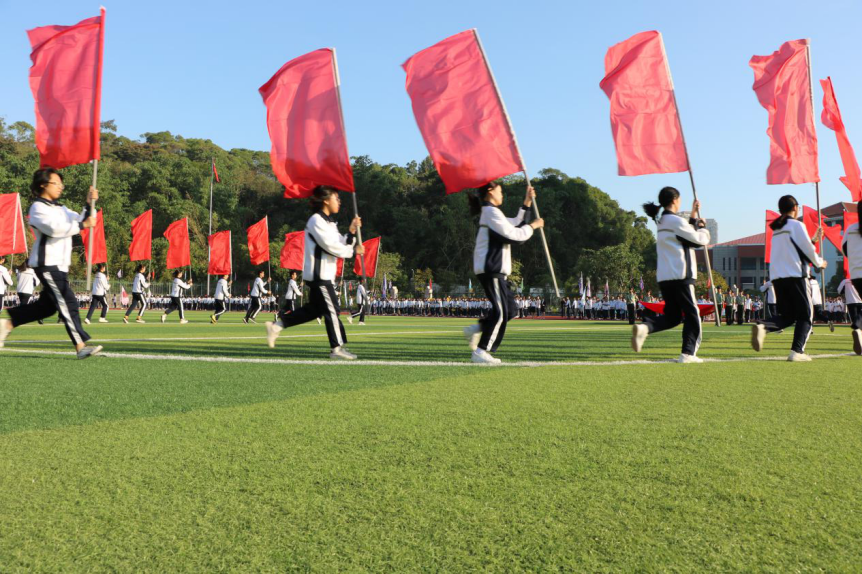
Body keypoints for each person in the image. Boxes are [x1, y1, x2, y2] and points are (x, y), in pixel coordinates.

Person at [0, 168, 102, 358]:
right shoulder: (37, 208)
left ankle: (6, 324)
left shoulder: (61, 208)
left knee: (46, 308)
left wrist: (89, 204)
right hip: (46, 264)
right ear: (43, 185)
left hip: (60, 265)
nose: (60, 187)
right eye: (56, 183)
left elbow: (81, 220)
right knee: (68, 300)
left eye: (61, 184)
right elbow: (54, 229)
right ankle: (80, 346)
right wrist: (82, 225)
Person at [265, 186, 365, 359]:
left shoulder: (329, 223)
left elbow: (341, 242)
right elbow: (331, 246)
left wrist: (351, 231)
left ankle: (277, 326)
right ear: (326, 200)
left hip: (325, 274)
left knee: (314, 310)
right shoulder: (315, 221)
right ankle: (336, 348)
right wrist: (354, 251)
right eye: (336, 198)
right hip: (319, 275)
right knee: (332, 309)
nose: (339, 201)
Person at [461, 180, 544, 364]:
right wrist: (533, 226)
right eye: (500, 191)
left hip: (496, 270)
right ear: (490, 191)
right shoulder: (490, 212)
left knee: (511, 310)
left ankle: (478, 328)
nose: (502, 194)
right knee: (500, 312)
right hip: (491, 268)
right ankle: (481, 351)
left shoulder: (492, 213)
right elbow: (515, 236)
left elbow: (514, 224)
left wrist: (527, 202)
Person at [631, 187, 710, 363]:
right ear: (675, 200)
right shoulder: (675, 221)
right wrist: (703, 227)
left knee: (673, 317)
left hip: (666, 276)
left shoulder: (663, 221)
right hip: (681, 274)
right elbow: (699, 240)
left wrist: (693, 215)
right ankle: (688, 353)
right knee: (692, 314)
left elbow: (683, 236)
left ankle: (646, 327)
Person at [752, 195, 827, 361]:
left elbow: (797, 248)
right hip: (796, 275)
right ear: (796, 208)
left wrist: (814, 238)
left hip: (778, 277)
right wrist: (820, 262)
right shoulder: (796, 224)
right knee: (806, 316)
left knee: (787, 316)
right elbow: (806, 250)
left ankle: (763, 326)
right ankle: (797, 351)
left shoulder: (777, 229)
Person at [842, 200, 862, 355]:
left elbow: (844, 249)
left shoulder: (850, 229)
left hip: (856, 274)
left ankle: (858, 327)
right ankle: (857, 326)